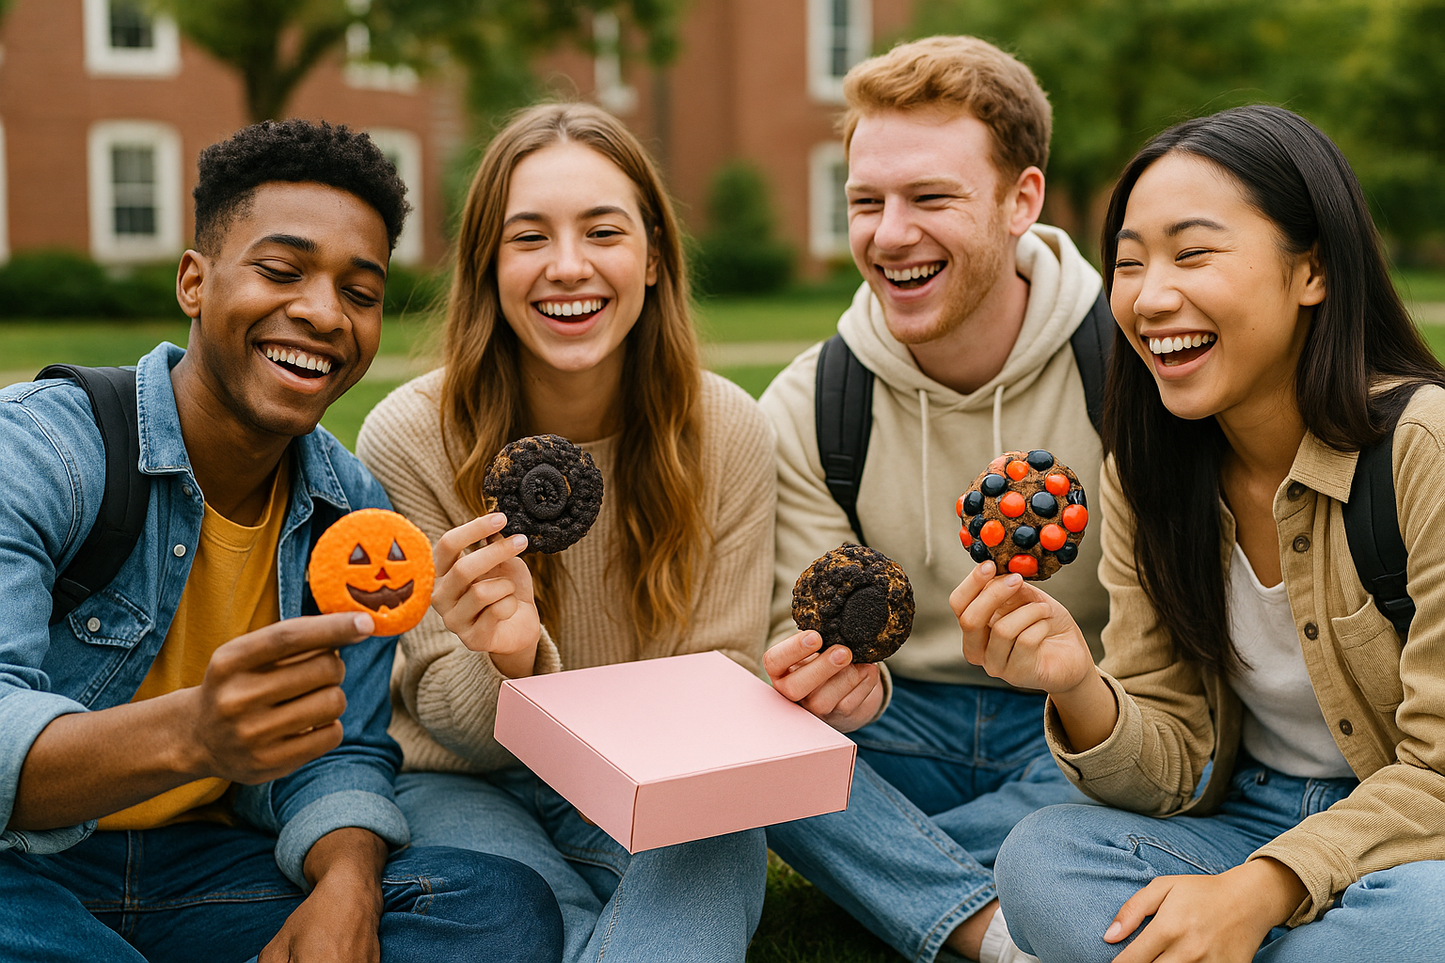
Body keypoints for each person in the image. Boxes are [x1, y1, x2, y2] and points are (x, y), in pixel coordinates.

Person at [0, 119, 564, 963]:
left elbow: (344, 751)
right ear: (194, 281)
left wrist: (347, 885)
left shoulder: (352, 512)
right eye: (281, 270)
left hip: (204, 870)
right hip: (22, 869)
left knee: (494, 909)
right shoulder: (44, 451)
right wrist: (193, 733)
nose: (323, 312)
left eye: (360, 292)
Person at [975, 104, 1445, 961]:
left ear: (1312, 270)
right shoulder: (1146, 473)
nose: (1150, 297)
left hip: (1408, 838)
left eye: (1192, 254)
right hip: (1242, 817)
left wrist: (1259, 890)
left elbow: (1439, 769)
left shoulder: (1423, 446)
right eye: (1127, 264)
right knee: (1041, 857)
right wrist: (1077, 683)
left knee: (1429, 917)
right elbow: (1169, 769)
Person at [354, 101, 775, 963]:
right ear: (487, 264)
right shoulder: (409, 437)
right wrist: (507, 660)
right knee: (515, 912)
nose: (568, 266)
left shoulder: (727, 429)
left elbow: (726, 672)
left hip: (655, 775)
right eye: (529, 237)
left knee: (725, 834)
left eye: (603, 231)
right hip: (468, 783)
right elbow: (451, 728)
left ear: (652, 257)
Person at [761, 35, 1109, 963]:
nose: (888, 235)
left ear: (1020, 201)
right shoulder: (810, 404)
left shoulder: (1132, 376)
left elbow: (1180, 678)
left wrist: (1086, 700)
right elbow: (800, 630)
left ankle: (894, 873)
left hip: (1081, 719)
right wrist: (839, 687)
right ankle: (1000, 923)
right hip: (895, 722)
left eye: (929, 197)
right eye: (865, 202)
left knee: (1186, 759)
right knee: (754, 753)